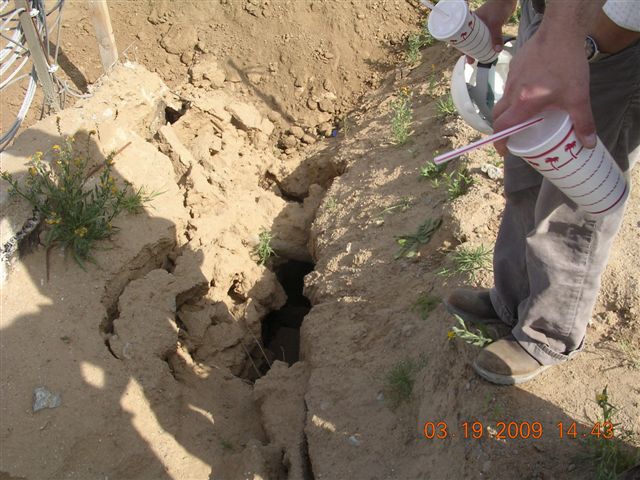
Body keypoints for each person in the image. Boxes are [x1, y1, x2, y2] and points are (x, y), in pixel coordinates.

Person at [445, 0, 640, 385]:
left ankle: (546, 334)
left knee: (571, 202)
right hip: (554, 21)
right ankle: (513, 300)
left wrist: (576, 43)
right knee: (525, 170)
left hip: (611, 34)